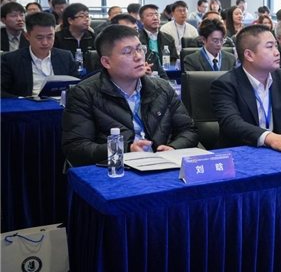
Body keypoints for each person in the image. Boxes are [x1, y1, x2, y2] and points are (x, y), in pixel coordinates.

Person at [61, 25, 198, 167]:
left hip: (163, 165)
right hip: (116, 170)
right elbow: (76, 148)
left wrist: (174, 148)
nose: (138, 57)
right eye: (127, 52)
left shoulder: (162, 87)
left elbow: (188, 130)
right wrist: (125, 150)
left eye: (140, 49)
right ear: (106, 62)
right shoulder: (84, 94)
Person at [2, 12, 79, 98]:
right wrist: (22, 100)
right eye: (39, 38)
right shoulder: (11, 60)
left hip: (59, 103)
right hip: (27, 103)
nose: (45, 42)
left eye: (50, 37)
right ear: (27, 36)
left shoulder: (66, 57)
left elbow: (78, 86)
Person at [112, 14, 168, 79]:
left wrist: (150, 77)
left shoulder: (149, 54)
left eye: (135, 30)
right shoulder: (109, 54)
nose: (133, 35)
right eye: (127, 31)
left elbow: (166, 81)